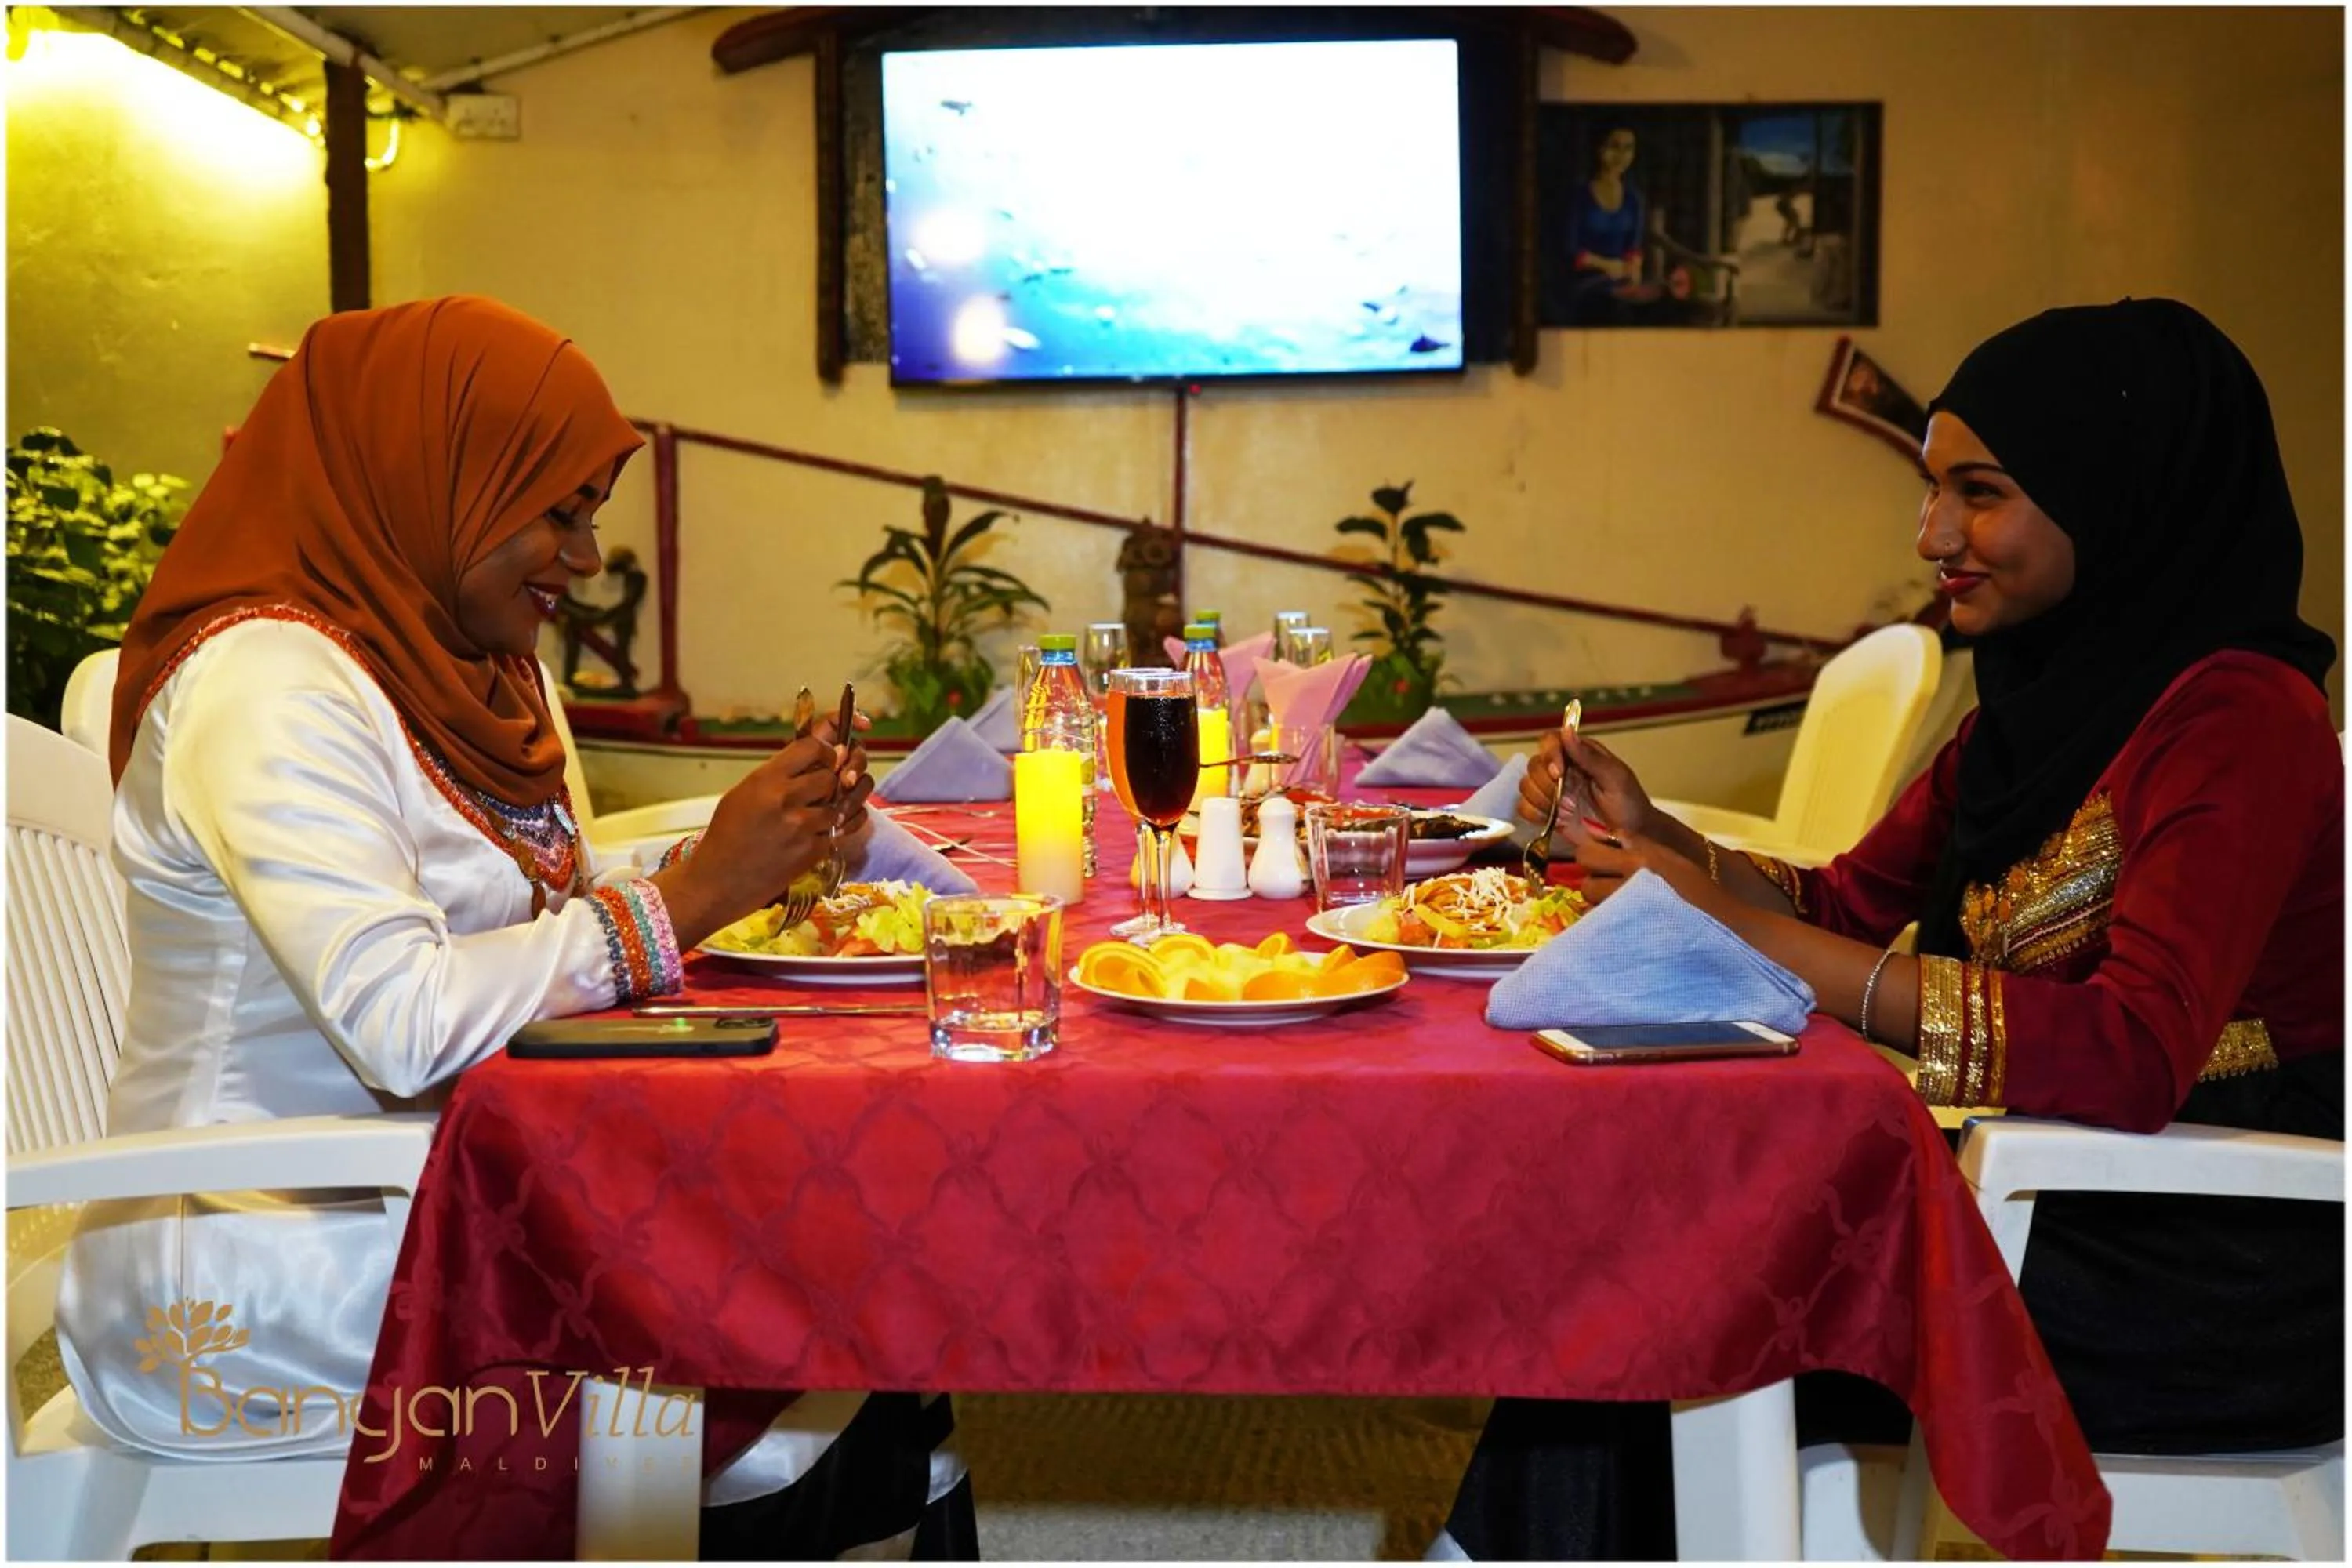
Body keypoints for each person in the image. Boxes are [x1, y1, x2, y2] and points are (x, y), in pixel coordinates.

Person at [57, 296, 976, 1558]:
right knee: (768, 1280)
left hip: (436, 1195)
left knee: (839, 1230)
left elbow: (526, 889)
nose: (588, 558)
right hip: (253, 1269)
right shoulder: (268, 684)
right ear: (435, 478)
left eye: (590, 513)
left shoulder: (451, 660)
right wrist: (694, 895)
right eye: (560, 512)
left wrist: (745, 850)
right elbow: (401, 1019)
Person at [1443, 298, 2344, 1558]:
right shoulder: (2031, 709)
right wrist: (1669, 840)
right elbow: (1846, 908)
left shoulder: (2241, 720)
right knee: (1653, 1250)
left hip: (2206, 1265)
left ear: (2118, 491)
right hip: (2026, 1200)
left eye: (1981, 494)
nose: (1933, 536)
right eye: (1932, 491)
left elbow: (2138, 1053)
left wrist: (1726, 925)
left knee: (1682, 1275)